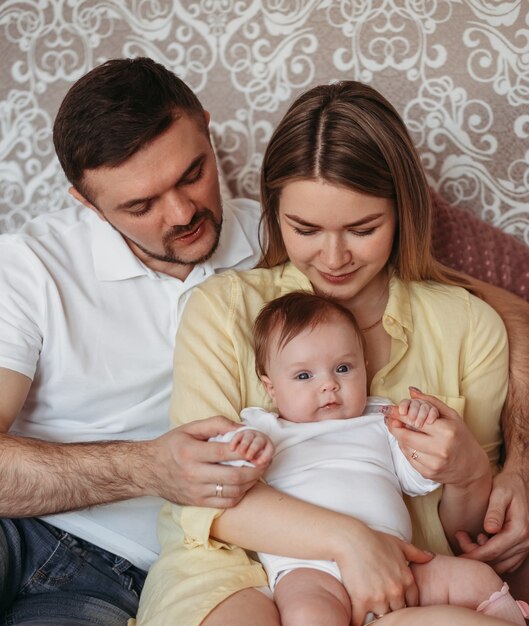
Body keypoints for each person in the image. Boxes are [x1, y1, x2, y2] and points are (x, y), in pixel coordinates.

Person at [135, 80, 529, 626]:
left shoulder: (466, 323)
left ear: (403, 210)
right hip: (234, 564)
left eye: (363, 228)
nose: (335, 256)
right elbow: (204, 492)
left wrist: (467, 474)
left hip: (410, 578)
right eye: (305, 228)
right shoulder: (224, 310)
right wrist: (349, 541)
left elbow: (466, 532)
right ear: (274, 212)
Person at [0, 57, 270, 625]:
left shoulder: (289, 238)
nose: (182, 214)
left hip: (128, 576)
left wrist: (514, 465)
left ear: (207, 125)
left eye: (192, 173)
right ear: (86, 202)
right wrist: (146, 468)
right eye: (140, 206)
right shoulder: (29, 265)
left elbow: (492, 305)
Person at [219, 290, 528, 625]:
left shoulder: (379, 419)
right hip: (310, 567)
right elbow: (224, 481)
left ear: (364, 368)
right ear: (271, 387)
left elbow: (417, 480)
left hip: (396, 561)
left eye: (342, 368)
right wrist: (245, 450)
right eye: (304, 376)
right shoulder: (263, 427)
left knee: (479, 578)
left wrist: (422, 427)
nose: (329, 386)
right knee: (310, 616)